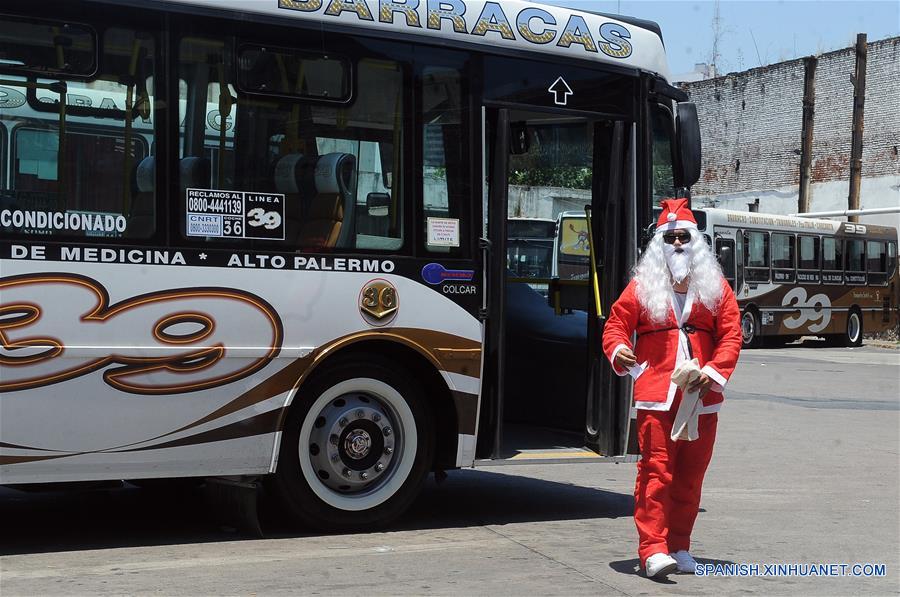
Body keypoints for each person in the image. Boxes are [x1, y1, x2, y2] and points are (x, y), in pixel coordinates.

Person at [602, 198, 742, 578]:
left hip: (702, 397)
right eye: (670, 237)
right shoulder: (642, 286)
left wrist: (713, 372)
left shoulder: (716, 287)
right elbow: (615, 325)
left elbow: (731, 334)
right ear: (659, 244)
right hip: (657, 396)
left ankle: (680, 546)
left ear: (695, 241)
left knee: (690, 478)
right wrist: (620, 350)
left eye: (683, 236)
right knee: (655, 473)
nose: (677, 243)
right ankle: (653, 550)